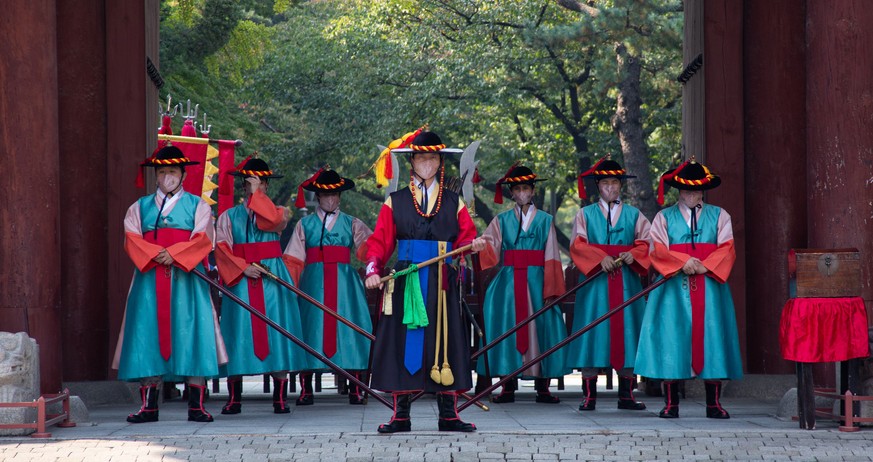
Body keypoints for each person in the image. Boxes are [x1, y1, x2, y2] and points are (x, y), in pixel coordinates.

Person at [364, 130, 486, 433]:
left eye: (433, 158)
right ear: (412, 162)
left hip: (442, 281)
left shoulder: (454, 201)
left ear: (440, 162)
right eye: (421, 157)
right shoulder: (395, 201)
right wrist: (372, 269)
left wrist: (474, 245)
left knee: (445, 341)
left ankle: (449, 415)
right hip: (406, 280)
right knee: (403, 342)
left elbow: (467, 237)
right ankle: (401, 415)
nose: (427, 163)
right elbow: (379, 242)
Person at [113, 145, 227, 423]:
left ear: (183, 174)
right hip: (149, 279)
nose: (167, 176)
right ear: (155, 176)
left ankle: (196, 405)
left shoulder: (199, 206)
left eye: (172, 171)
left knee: (193, 334)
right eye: (162, 171)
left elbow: (203, 239)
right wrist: (156, 255)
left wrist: (174, 254)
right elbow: (132, 238)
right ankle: (149, 406)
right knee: (146, 334)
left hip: (187, 281)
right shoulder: (138, 208)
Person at [634, 157, 742, 419]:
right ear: (678, 190)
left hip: (710, 286)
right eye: (686, 190)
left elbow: (727, 248)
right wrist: (684, 262)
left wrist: (704, 266)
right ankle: (671, 404)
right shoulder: (663, 217)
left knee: (712, 340)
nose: (691, 195)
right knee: (672, 340)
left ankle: (713, 404)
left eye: (695, 190)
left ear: (703, 190)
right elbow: (657, 250)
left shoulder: (720, 215)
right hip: (673, 288)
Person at [213, 156, 306, 415]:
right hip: (241, 276)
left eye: (261, 183)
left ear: (266, 185)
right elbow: (221, 248)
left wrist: (257, 198)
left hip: (273, 277)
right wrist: (243, 267)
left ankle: (280, 397)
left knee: (278, 331)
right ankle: (234, 397)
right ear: (243, 185)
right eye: (251, 183)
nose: (256, 186)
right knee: (237, 331)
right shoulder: (228, 217)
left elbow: (272, 222)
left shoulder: (279, 212)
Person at [475, 163, 568, 404]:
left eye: (526, 188)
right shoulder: (501, 220)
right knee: (506, 327)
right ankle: (507, 386)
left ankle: (543, 387)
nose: (522, 193)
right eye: (517, 189)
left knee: (544, 325)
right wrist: (478, 243)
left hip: (538, 279)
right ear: (512, 193)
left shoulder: (546, 220)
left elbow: (552, 255)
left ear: (533, 191)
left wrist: (552, 288)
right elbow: (490, 246)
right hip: (507, 283)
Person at [565, 156, 652, 411]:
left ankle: (627, 394)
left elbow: (646, 242)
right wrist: (599, 258)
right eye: (605, 183)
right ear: (598, 186)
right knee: (592, 332)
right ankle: (589, 395)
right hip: (595, 283)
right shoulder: (585, 214)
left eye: (615, 183)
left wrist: (632, 254)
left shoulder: (635, 214)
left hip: (626, 281)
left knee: (628, 332)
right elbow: (577, 244)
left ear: (620, 186)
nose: (611, 188)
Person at [283, 167, 374, 405]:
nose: (331, 199)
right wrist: (290, 288)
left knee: (350, 328)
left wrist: (375, 257)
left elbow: (371, 249)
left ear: (340, 196)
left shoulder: (352, 223)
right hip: (313, 282)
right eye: (326, 195)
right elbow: (293, 259)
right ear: (318, 198)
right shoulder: (305, 225)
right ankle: (306, 389)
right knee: (310, 329)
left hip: (345, 284)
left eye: (335, 195)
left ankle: (355, 387)